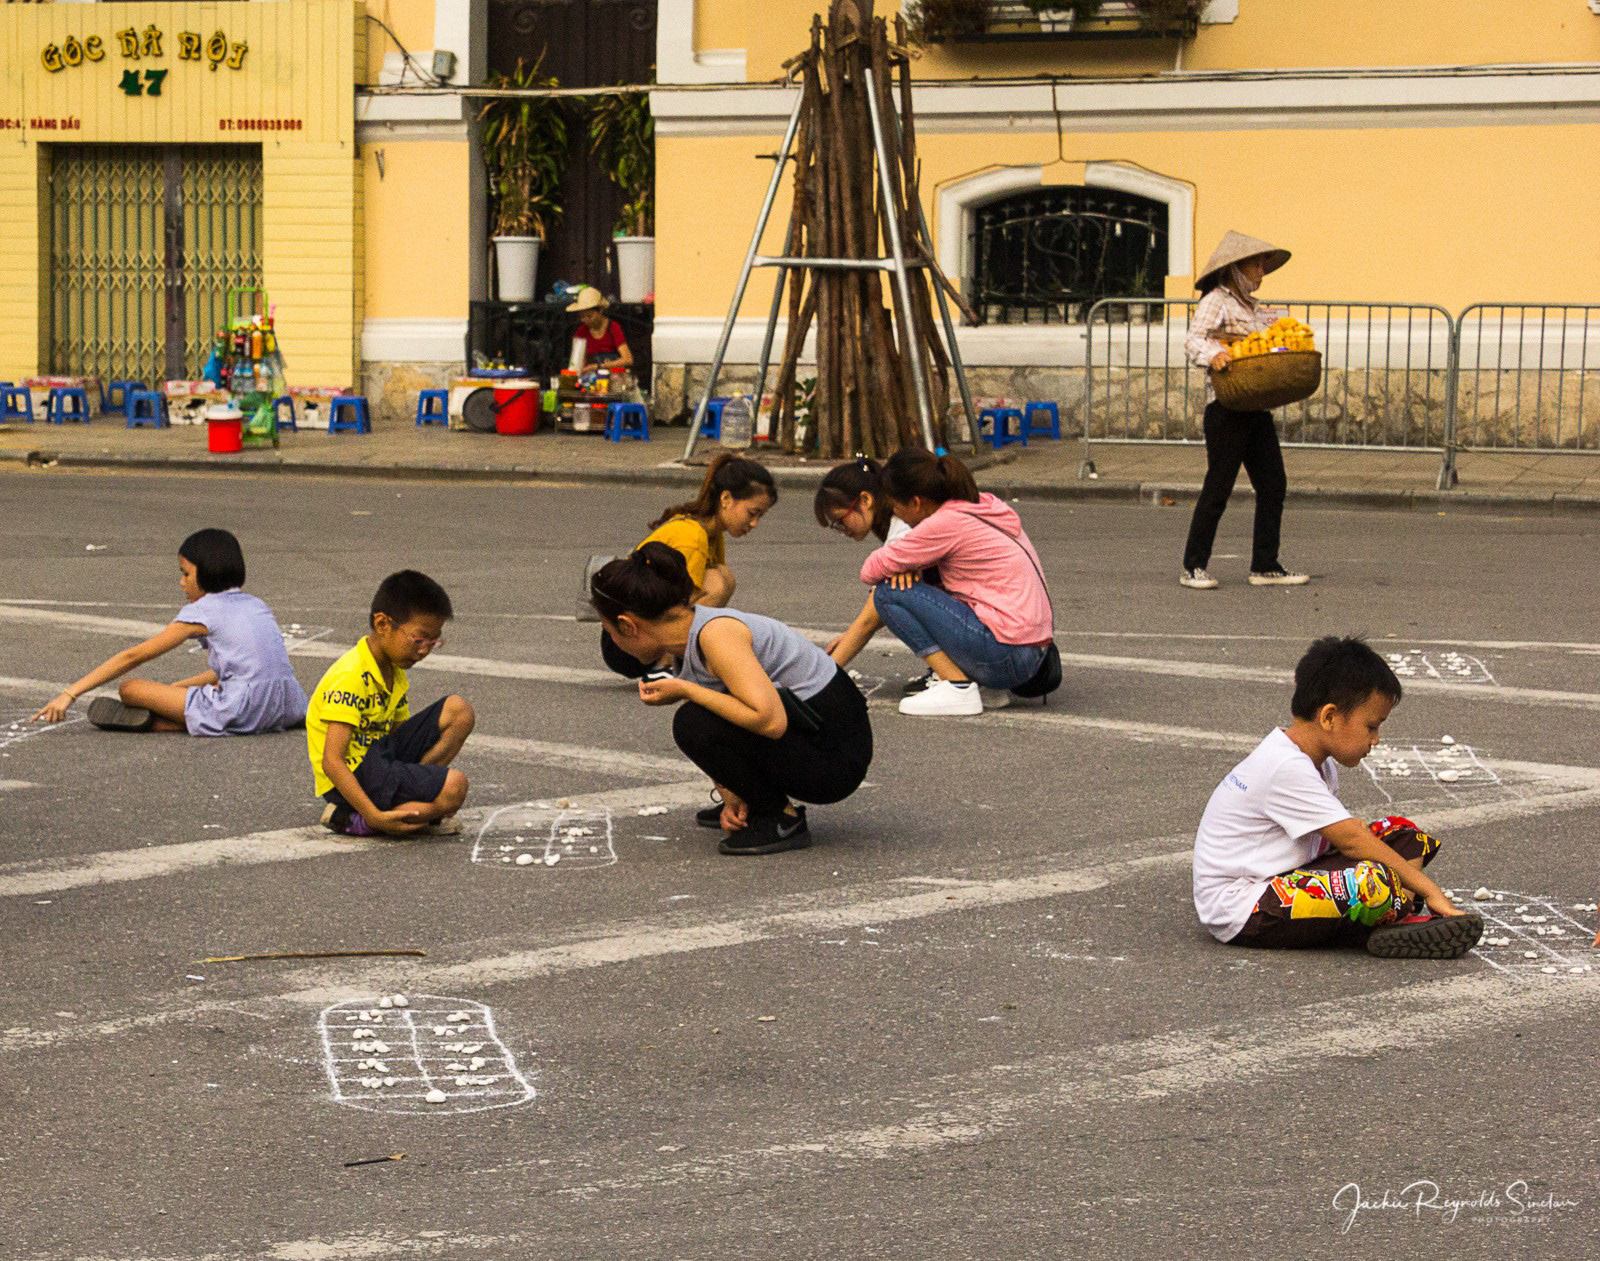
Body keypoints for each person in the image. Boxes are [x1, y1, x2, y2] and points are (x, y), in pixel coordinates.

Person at [1192, 636, 1483, 958]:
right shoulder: (1283, 766)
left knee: (1403, 834)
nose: (1376, 739)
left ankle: (1389, 911)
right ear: (1329, 717)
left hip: (1288, 877)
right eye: (1370, 726)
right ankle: (1391, 915)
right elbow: (1351, 841)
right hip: (1246, 908)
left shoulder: (1318, 761)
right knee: (1373, 883)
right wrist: (1431, 893)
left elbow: (1343, 837)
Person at [591, 543, 872, 856]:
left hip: (835, 760)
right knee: (699, 717)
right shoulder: (689, 635)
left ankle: (780, 818)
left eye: (609, 630)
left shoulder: (717, 635)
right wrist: (730, 792)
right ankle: (755, 803)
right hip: (815, 737)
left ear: (628, 625)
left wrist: (686, 690)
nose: (613, 642)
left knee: (692, 721)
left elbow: (770, 720)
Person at [31, 527, 307, 735]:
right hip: (287, 704)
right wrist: (175, 690)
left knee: (130, 689)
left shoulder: (202, 611)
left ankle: (167, 719)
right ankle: (171, 718)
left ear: (207, 572)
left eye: (186, 574)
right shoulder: (255, 604)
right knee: (208, 685)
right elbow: (238, 666)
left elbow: (133, 657)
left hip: (244, 708)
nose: (181, 582)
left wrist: (70, 693)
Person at [859, 449, 1054, 718]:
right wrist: (914, 564)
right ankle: (988, 687)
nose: (896, 514)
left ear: (915, 502)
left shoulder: (944, 523)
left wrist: (908, 565)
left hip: (1008, 655)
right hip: (1033, 654)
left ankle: (957, 686)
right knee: (933, 585)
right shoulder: (982, 504)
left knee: (888, 593)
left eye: (895, 506)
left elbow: (871, 569)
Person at [1180, 230, 1310, 591]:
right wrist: (1214, 354)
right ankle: (1194, 566)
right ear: (1236, 268)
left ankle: (1265, 565)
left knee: (1273, 484)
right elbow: (1193, 340)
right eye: (1256, 265)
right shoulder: (1217, 300)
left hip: (1255, 407)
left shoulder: (1252, 308)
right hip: (1225, 408)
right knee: (1218, 486)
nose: (1261, 272)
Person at [306, 570, 474, 838]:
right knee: (454, 787)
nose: (424, 651)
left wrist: (415, 777)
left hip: (380, 755)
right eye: (419, 640)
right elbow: (332, 761)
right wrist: (374, 815)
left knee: (459, 711)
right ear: (383, 624)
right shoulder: (350, 677)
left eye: (433, 642)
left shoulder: (394, 671)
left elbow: (398, 734)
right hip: (353, 770)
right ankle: (356, 817)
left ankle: (396, 803)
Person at [599, 453, 777, 679]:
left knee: (724, 578)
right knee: (716, 585)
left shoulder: (710, 531)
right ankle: (666, 665)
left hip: (641, 630)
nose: (754, 523)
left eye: (760, 516)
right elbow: (680, 605)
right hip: (625, 640)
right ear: (726, 499)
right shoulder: (692, 536)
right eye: (752, 513)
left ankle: (680, 659)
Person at [813, 457, 937, 695]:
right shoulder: (896, 523)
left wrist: (822, 674)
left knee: (892, 593)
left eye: (841, 520)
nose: (842, 530)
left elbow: (872, 617)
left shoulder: (902, 531)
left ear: (866, 500)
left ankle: (952, 675)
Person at [567, 286, 634, 372]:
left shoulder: (613, 327)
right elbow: (576, 362)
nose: (586, 320)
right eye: (582, 317)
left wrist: (600, 366)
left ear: (600, 311)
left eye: (590, 316)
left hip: (613, 376)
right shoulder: (581, 331)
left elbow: (628, 360)